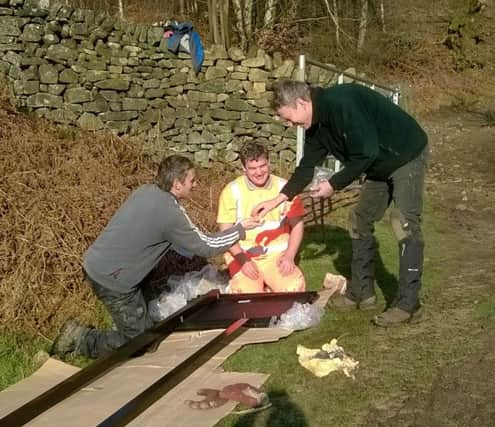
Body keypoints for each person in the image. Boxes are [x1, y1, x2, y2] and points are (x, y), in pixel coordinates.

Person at [252, 80, 429, 326]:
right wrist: (277, 199)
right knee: (358, 219)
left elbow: (366, 152)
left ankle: (408, 304)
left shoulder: (342, 103)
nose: (290, 125)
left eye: (289, 118)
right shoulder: (317, 127)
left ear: (302, 103)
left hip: (405, 154)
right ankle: (362, 292)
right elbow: (306, 168)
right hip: (378, 163)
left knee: (403, 223)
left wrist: (333, 184)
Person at [51, 155, 260, 358]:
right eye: (192, 180)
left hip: (100, 263)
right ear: (177, 184)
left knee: (144, 323)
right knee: (140, 343)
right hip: (113, 280)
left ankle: (128, 323)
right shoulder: (169, 212)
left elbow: (175, 240)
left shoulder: (147, 191)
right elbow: (205, 246)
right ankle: (81, 340)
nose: (196, 184)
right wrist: (239, 229)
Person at [217, 141, 306, 293]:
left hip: (277, 256)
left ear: (269, 163)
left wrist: (290, 255)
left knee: (294, 289)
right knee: (246, 295)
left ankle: (270, 286)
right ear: (243, 168)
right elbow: (226, 232)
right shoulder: (232, 191)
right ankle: (259, 288)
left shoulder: (285, 188)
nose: (259, 172)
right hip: (243, 256)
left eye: (262, 166)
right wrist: (243, 261)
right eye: (252, 168)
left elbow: (297, 225)